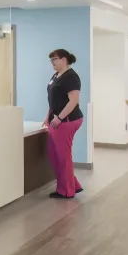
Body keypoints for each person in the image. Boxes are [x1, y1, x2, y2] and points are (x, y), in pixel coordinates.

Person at [43, 48, 83, 199]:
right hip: (56, 119)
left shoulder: (71, 77)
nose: (52, 62)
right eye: (51, 59)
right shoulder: (56, 75)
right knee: (53, 154)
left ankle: (66, 191)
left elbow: (73, 101)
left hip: (67, 120)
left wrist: (59, 118)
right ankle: (73, 184)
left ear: (64, 59)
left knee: (63, 156)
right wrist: (48, 116)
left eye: (54, 59)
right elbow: (54, 99)